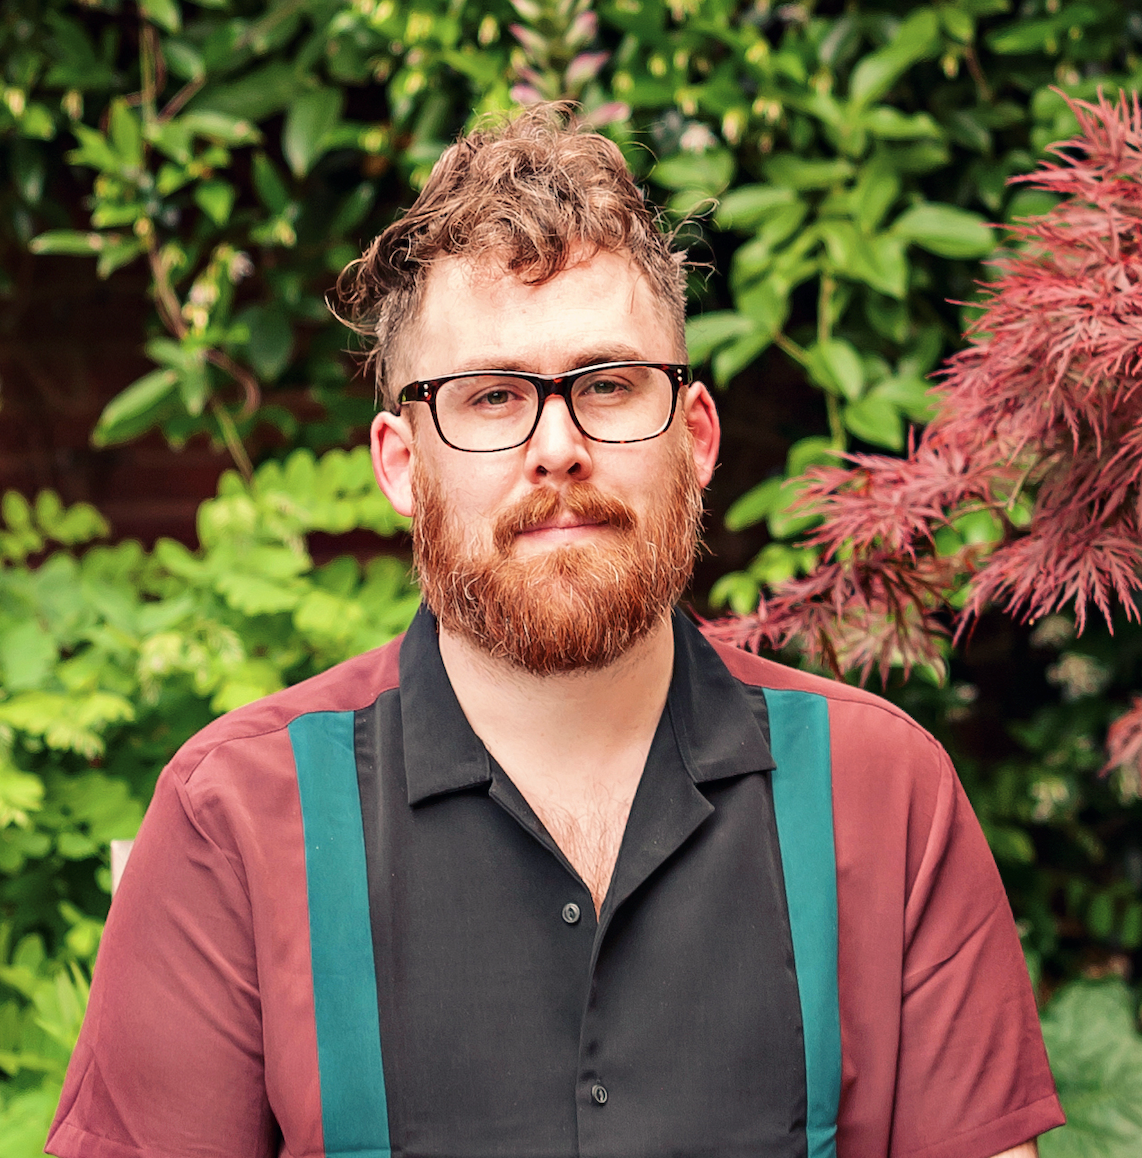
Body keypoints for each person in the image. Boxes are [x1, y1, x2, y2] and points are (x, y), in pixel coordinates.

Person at [47, 105, 1064, 1158]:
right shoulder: (235, 821)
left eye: (609, 385)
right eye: (489, 397)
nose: (557, 446)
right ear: (400, 463)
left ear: (695, 436)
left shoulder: (881, 797)